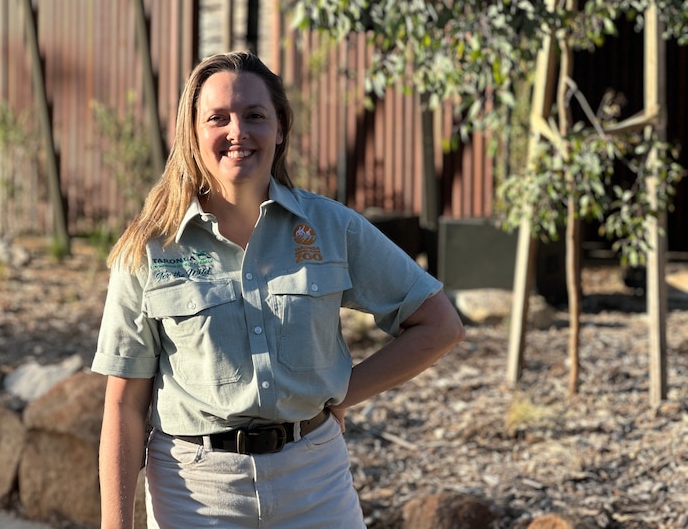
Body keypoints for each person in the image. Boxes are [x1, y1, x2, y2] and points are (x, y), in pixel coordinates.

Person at [92, 51, 465, 529]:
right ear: (192, 132)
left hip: (315, 481)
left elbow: (439, 325)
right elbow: (123, 406)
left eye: (255, 116)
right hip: (199, 495)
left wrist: (342, 395)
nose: (237, 132)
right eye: (217, 118)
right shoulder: (149, 248)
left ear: (280, 128)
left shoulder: (331, 227)